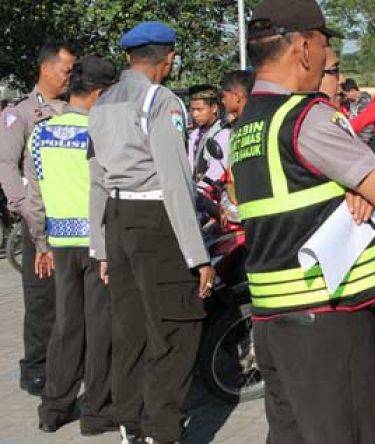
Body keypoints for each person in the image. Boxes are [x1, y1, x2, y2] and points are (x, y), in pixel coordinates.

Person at [231, 0, 375, 441]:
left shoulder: (247, 125)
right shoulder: (306, 118)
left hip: (273, 321)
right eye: (326, 47)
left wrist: (344, 187)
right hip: (328, 319)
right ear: (306, 48)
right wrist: (360, 186)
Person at [88, 22, 215, 443]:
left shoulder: (103, 103)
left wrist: (101, 248)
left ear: (129, 58)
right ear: (169, 58)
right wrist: (198, 257)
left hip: (118, 218)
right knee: (177, 327)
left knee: (131, 328)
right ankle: (162, 430)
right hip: (156, 219)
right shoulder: (160, 101)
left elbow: (98, 180)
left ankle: (132, 424)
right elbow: (176, 180)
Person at [24, 55, 116, 435]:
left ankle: (54, 407)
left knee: (65, 326)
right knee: (100, 328)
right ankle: (96, 411)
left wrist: (41, 242)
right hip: (97, 245)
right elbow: (110, 190)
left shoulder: (41, 133)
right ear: (97, 93)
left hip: (59, 242)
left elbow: (34, 198)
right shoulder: (101, 134)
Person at [0, 41, 76, 396]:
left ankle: (74, 364)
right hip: (41, 224)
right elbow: (6, 164)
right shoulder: (22, 113)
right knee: (42, 300)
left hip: (75, 221)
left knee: (75, 299)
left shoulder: (76, 109)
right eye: (66, 70)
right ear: (46, 69)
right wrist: (23, 206)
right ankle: (36, 368)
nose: (70, 76)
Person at [187, 85, 229, 186]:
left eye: (199, 109)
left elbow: (216, 173)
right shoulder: (193, 135)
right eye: (192, 110)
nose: (194, 114)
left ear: (214, 108)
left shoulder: (223, 134)